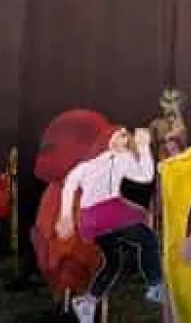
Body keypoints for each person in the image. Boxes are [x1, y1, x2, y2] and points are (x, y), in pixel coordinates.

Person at [55, 126, 163, 323]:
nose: (123, 139)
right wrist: (144, 148)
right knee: (148, 239)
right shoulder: (107, 160)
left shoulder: (110, 161)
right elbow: (146, 175)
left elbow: (69, 185)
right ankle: (155, 285)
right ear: (108, 139)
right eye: (119, 135)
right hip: (107, 214)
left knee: (113, 262)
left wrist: (66, 215)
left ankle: (87, 302)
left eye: (125, 137)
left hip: (92, 221)